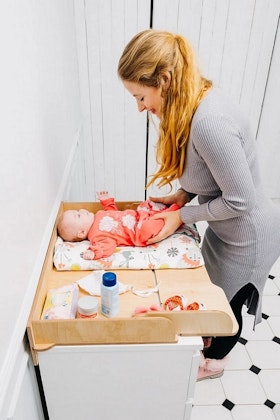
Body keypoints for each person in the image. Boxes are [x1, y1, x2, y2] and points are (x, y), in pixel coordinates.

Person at [118, 29, 280, 380]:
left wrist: (181, 216)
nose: (140, 107)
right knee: (213, 294)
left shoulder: (209, 122)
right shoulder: (192, 104)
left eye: (141, 96)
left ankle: (215, 364)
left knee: (227, 310)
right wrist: (182, 196)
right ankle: (209, 346)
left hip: (248, 238)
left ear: (164, 80)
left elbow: (240, 200)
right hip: (225, 231)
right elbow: (210, 171)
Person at [57, 191, 179, 260]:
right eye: (78, 215)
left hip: (137, 217)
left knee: (145, 205)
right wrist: (94, 252)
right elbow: (108, 246)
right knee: (149, 228)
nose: (83, 210)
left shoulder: (98, 214)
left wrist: (107, 202)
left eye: (79, 210)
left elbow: (113, 213)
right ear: (81, 233)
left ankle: (164, 211)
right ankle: (173, 214)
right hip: (138, 232)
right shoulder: (96, 236)